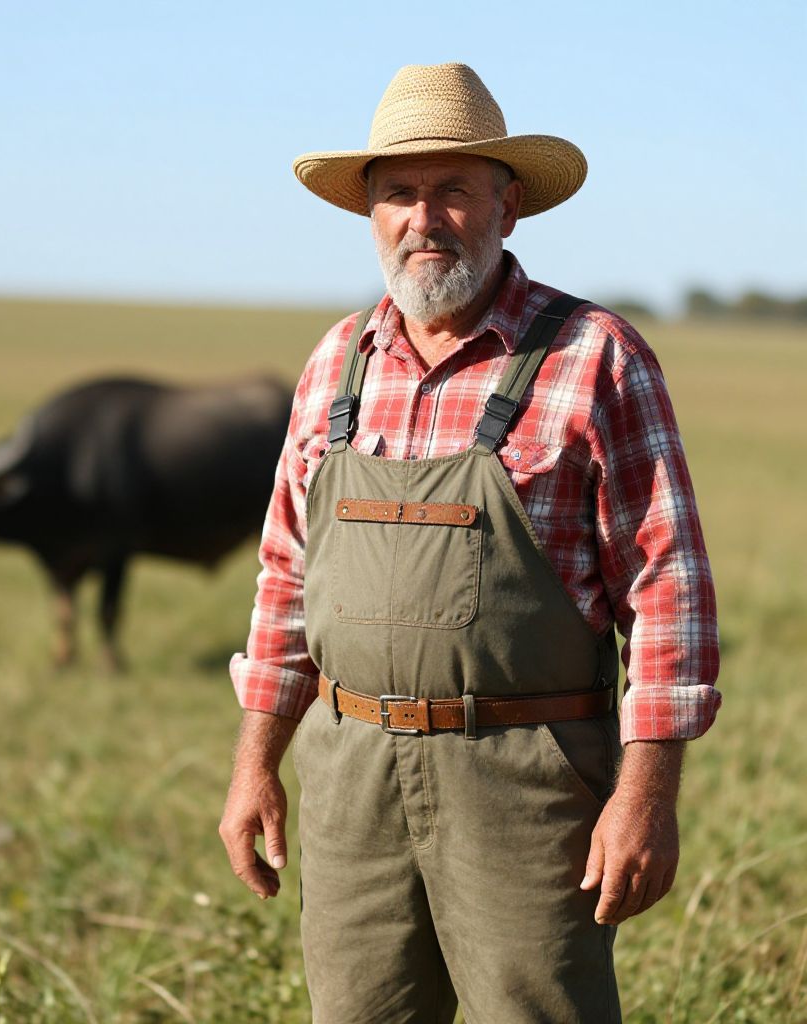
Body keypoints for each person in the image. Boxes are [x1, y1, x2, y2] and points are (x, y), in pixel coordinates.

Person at [219, 62, 721, 1022]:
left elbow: (669, 592)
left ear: (509, 204)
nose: (425, 217)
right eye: (399, 193)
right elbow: (287, 577)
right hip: (349, 773)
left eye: (454, 189)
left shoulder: (593, 357)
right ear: (369, 213)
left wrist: (646, 798)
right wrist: (255, 767)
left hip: (525, 780)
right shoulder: (336, 362)